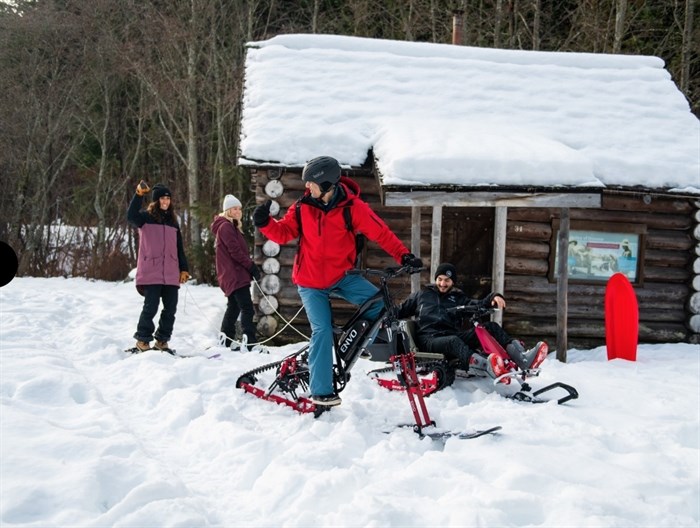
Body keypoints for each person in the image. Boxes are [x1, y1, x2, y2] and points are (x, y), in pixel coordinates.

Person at [253, 156, 422, 407]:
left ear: (326, 183)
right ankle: (321, 391)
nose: (307, 187)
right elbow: (284, 233)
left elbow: (380, 232)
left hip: (341, 277)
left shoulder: (352, 208)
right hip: (310, 282)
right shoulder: (302, 207)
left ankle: (356, 342)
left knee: (380, 304)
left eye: (311, 183)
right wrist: (265, 223)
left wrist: (404, 255)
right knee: (322, 330)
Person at [397, 263, 547, 381]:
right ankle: (486, 366)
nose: (443, 283)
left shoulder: (458, 298)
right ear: (435, 279)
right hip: (429, 340)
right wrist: (383, 314)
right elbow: (400, 311)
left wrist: (493, 297)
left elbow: (478, 304)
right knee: (453, 341)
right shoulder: (422, 295)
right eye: (440, 279)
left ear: (453, 282)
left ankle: (523, 359)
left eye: (447, 280)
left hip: (451, 336)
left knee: (490, 327)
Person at [127, 181, 190, 352]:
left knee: (170, 309)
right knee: (151, 307)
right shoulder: (146, 219)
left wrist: (184, 269)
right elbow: (131, 216)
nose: (165, 201)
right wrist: (138, 194)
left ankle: (162, 341)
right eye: (162, 198)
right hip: (151, 271)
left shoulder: (173, 223)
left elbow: (179, 248)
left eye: (168, 198)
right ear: (155, 201)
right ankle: (143, 340)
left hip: (171, 272)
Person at [210, 193, 261, 350]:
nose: (238, 211)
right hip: (235, 275)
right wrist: (251, 266)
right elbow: (236, 252)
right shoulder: (226, 227)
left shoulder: (231, 227)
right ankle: (249, 342)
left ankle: (225, 340)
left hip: (234, 274)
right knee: (246, 307)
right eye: (234, 209)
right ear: (228, 211)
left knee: (233, 307)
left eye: (239, 208)